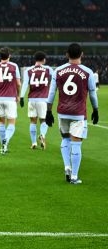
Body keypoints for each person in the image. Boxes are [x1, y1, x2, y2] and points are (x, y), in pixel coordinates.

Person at [45, 43, 99, 185]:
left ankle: (67, 166)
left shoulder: (58, 71)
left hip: (62, 112)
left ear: (66, 55)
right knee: (76, 144)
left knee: (65, 139)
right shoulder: (87, 72)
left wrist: (48, 111)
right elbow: (93, 93)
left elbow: (51, 92)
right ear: (82, 54)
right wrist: (96, 109)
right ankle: (74, 176)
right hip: (78, 113)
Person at [20, 51, 54, 150]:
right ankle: (42, 135)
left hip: (32, 99)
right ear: (44, 60)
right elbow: (54, 81)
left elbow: (25, 83)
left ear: (35, 59)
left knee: (33, 121)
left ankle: (34, 142)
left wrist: (22, 97)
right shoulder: (48, 69)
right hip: (44, 99)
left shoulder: (29, 70)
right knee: (44, 120)